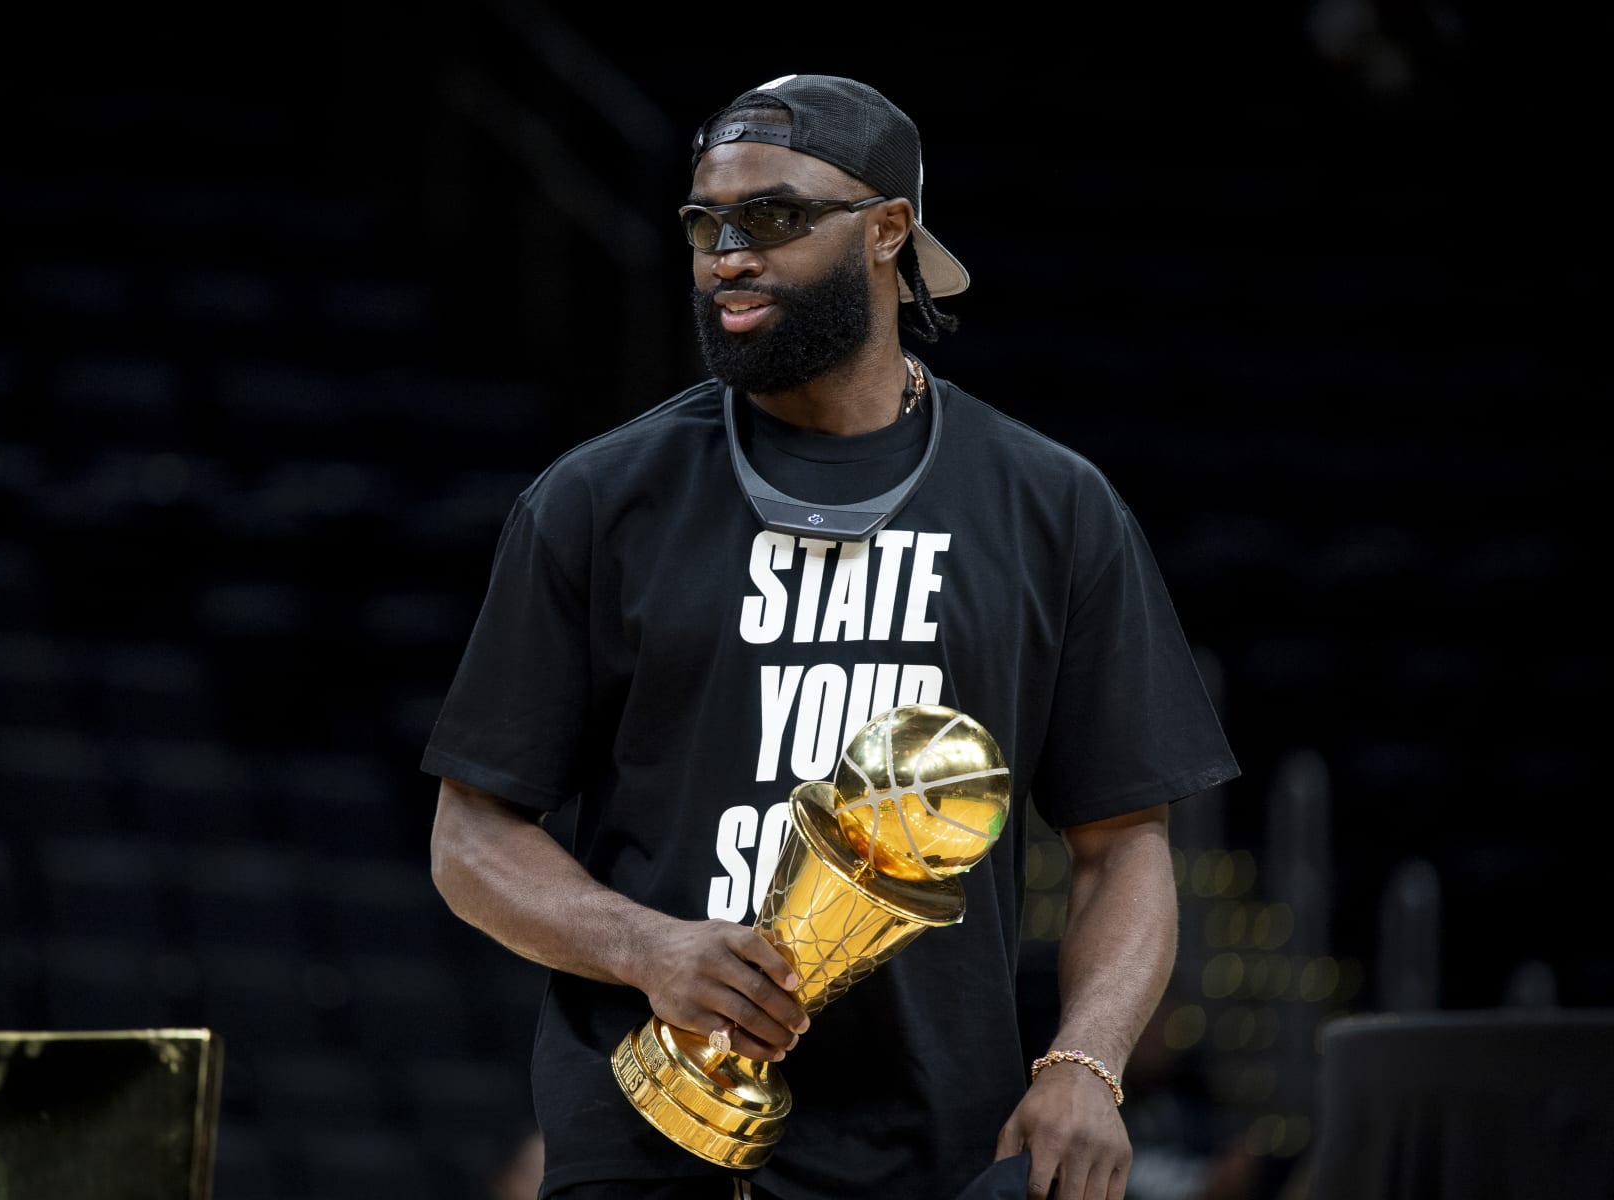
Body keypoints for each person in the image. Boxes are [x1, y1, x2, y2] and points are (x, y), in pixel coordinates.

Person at [425, 72, 1241, 1200]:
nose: (729, 254)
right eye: (707, 223)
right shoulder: (597, 501)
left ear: (887, 233)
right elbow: (470, 836)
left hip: (935, 1144)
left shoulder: (1052, 506)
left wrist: (1086, 1061)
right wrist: (646, 947)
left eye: (773, 218)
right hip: (652, 1142)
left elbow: (1123, 846)